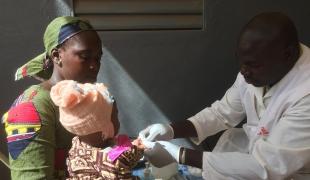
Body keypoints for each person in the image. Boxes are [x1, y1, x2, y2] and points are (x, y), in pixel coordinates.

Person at [139, 12, 310, 179]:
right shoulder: (256, 67)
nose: (243, 72)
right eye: (241, 61)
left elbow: (268, 166)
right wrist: (170, 130)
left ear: (287, 55)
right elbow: (222, 112)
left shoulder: (305, 94)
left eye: (253, 65)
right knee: (229, 145)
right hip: (255, 155)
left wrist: (180, 155)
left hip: (293, 173)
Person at [1, 16, 105, 179]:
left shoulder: (85, 99)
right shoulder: (31, 108)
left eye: (98, 58)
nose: (95, 66)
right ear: (57, 56)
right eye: (85, 57)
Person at [50, 80, 144, 179]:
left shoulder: (77, 142)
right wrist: (138, 151)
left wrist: (135, 149)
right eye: (115, 116)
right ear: (104, 131)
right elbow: (122, 163)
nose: (118, 120)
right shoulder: (111, 163)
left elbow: (121, 155)